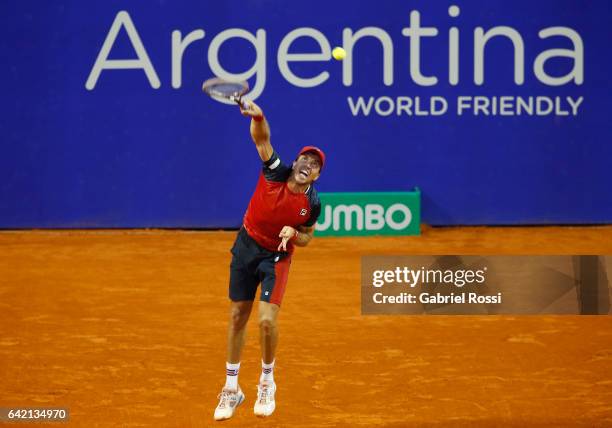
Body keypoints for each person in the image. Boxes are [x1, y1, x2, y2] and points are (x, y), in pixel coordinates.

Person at [213, 100, 325, 421]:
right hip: (247, 244)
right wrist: (258, 115)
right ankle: (232, 389)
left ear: (317, 176)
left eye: (314, 164)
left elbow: (307, 237)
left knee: (265, 321)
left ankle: (266, 380)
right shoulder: (276, 171)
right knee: (237, 316)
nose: (307, 164)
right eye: (304, 158)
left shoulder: (311, 204)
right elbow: (262, 139)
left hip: (277, 256)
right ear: (295, 162)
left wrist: (295, 233)